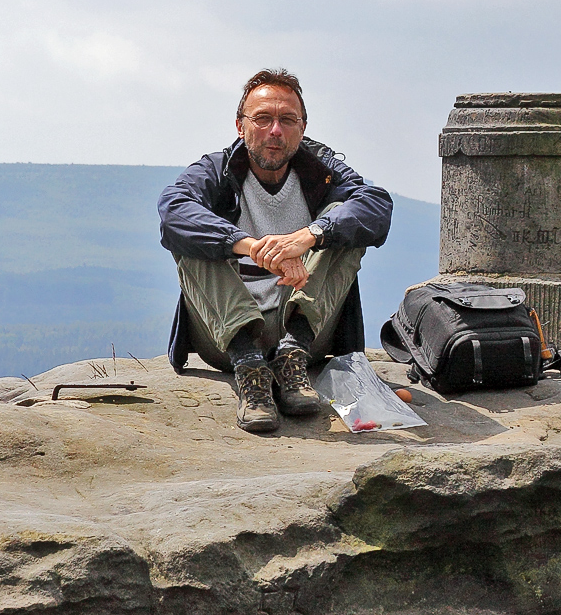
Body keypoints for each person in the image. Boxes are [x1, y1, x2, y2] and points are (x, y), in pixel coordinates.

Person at [158, 68, 392, 432]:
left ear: (303, 127)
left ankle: (291, 357)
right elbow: (173, 209)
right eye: (263, 118)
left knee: (343, 221)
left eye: (287, 120)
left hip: (304, 327)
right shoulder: (215, 171)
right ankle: (249, 367)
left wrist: (308, 237)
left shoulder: (322, 170)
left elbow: (375, 206)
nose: (275, 131)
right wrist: (251, 247)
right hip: (225, 332)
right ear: (240, 125)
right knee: (189, 235)